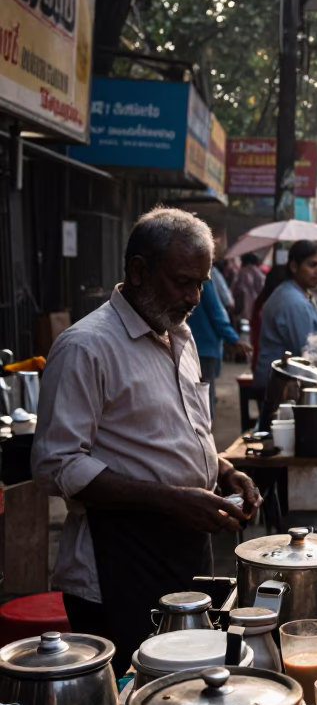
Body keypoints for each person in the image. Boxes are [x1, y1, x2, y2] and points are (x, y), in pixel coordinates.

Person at [32, 207, 262, 676]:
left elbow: (177, 431)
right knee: (136, 698)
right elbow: (56, 465)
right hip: (118, 562)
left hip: (183, 546)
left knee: (188, 689)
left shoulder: (179, 334)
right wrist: (171, 499)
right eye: (182, 282)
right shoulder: (86, 347)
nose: (194, 297)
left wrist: (222, 469)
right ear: (138, 271)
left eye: (202, 283)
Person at [253, 240, 317, 390]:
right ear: (294, 266)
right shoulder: (293, 302)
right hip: (281, 385)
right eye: (312, 265)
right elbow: (307, 352)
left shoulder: (300, 294)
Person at [186, 270, 251, 418]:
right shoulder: (203, 276)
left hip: (192, 346)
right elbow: (217, 312)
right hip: (204, 348)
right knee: (203, 404)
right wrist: (234, 338)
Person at [233, 252, 266, 321]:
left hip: (242, 305)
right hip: (256, 304)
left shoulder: (240, 272)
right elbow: (262, 288)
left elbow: (234, 289)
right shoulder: (257, 272)